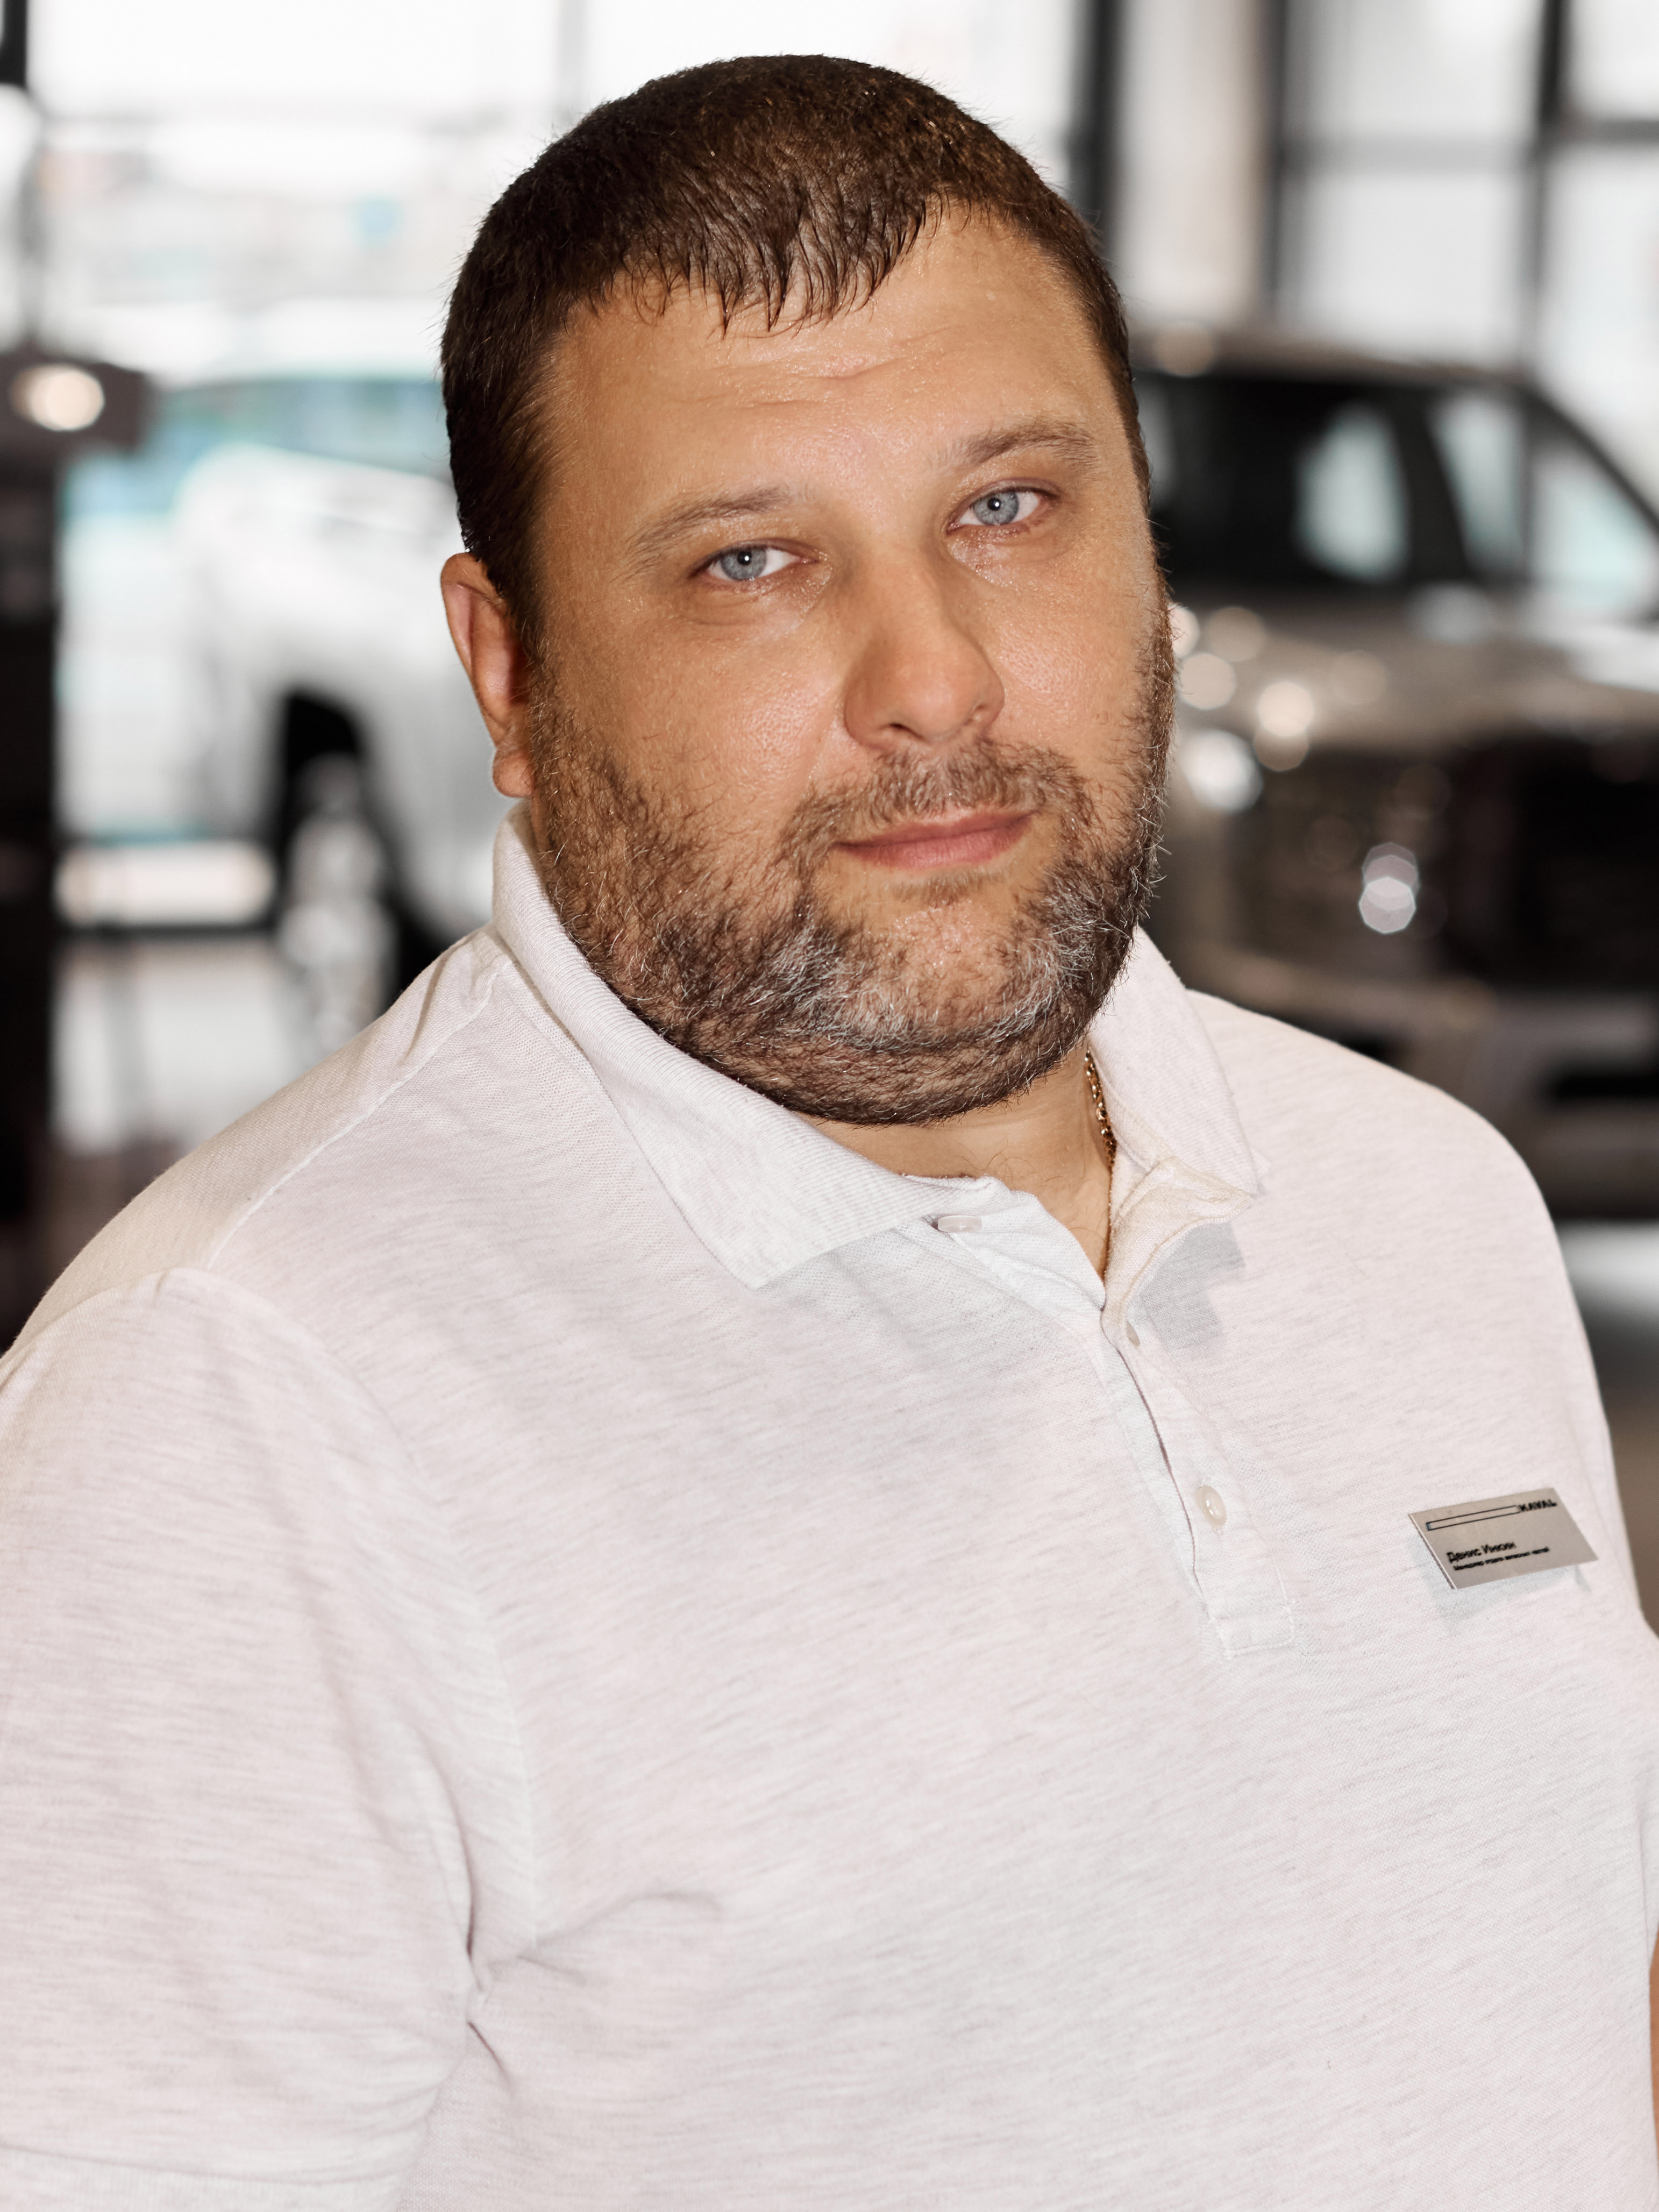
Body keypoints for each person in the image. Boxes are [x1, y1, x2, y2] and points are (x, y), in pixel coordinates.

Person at [1, 53, 1656, 2211]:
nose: (933, 680)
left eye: (1008, 510)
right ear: (509, 674)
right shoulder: (232, 1413)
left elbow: (1564, 1975)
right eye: (753, 559)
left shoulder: (1420, 1192)